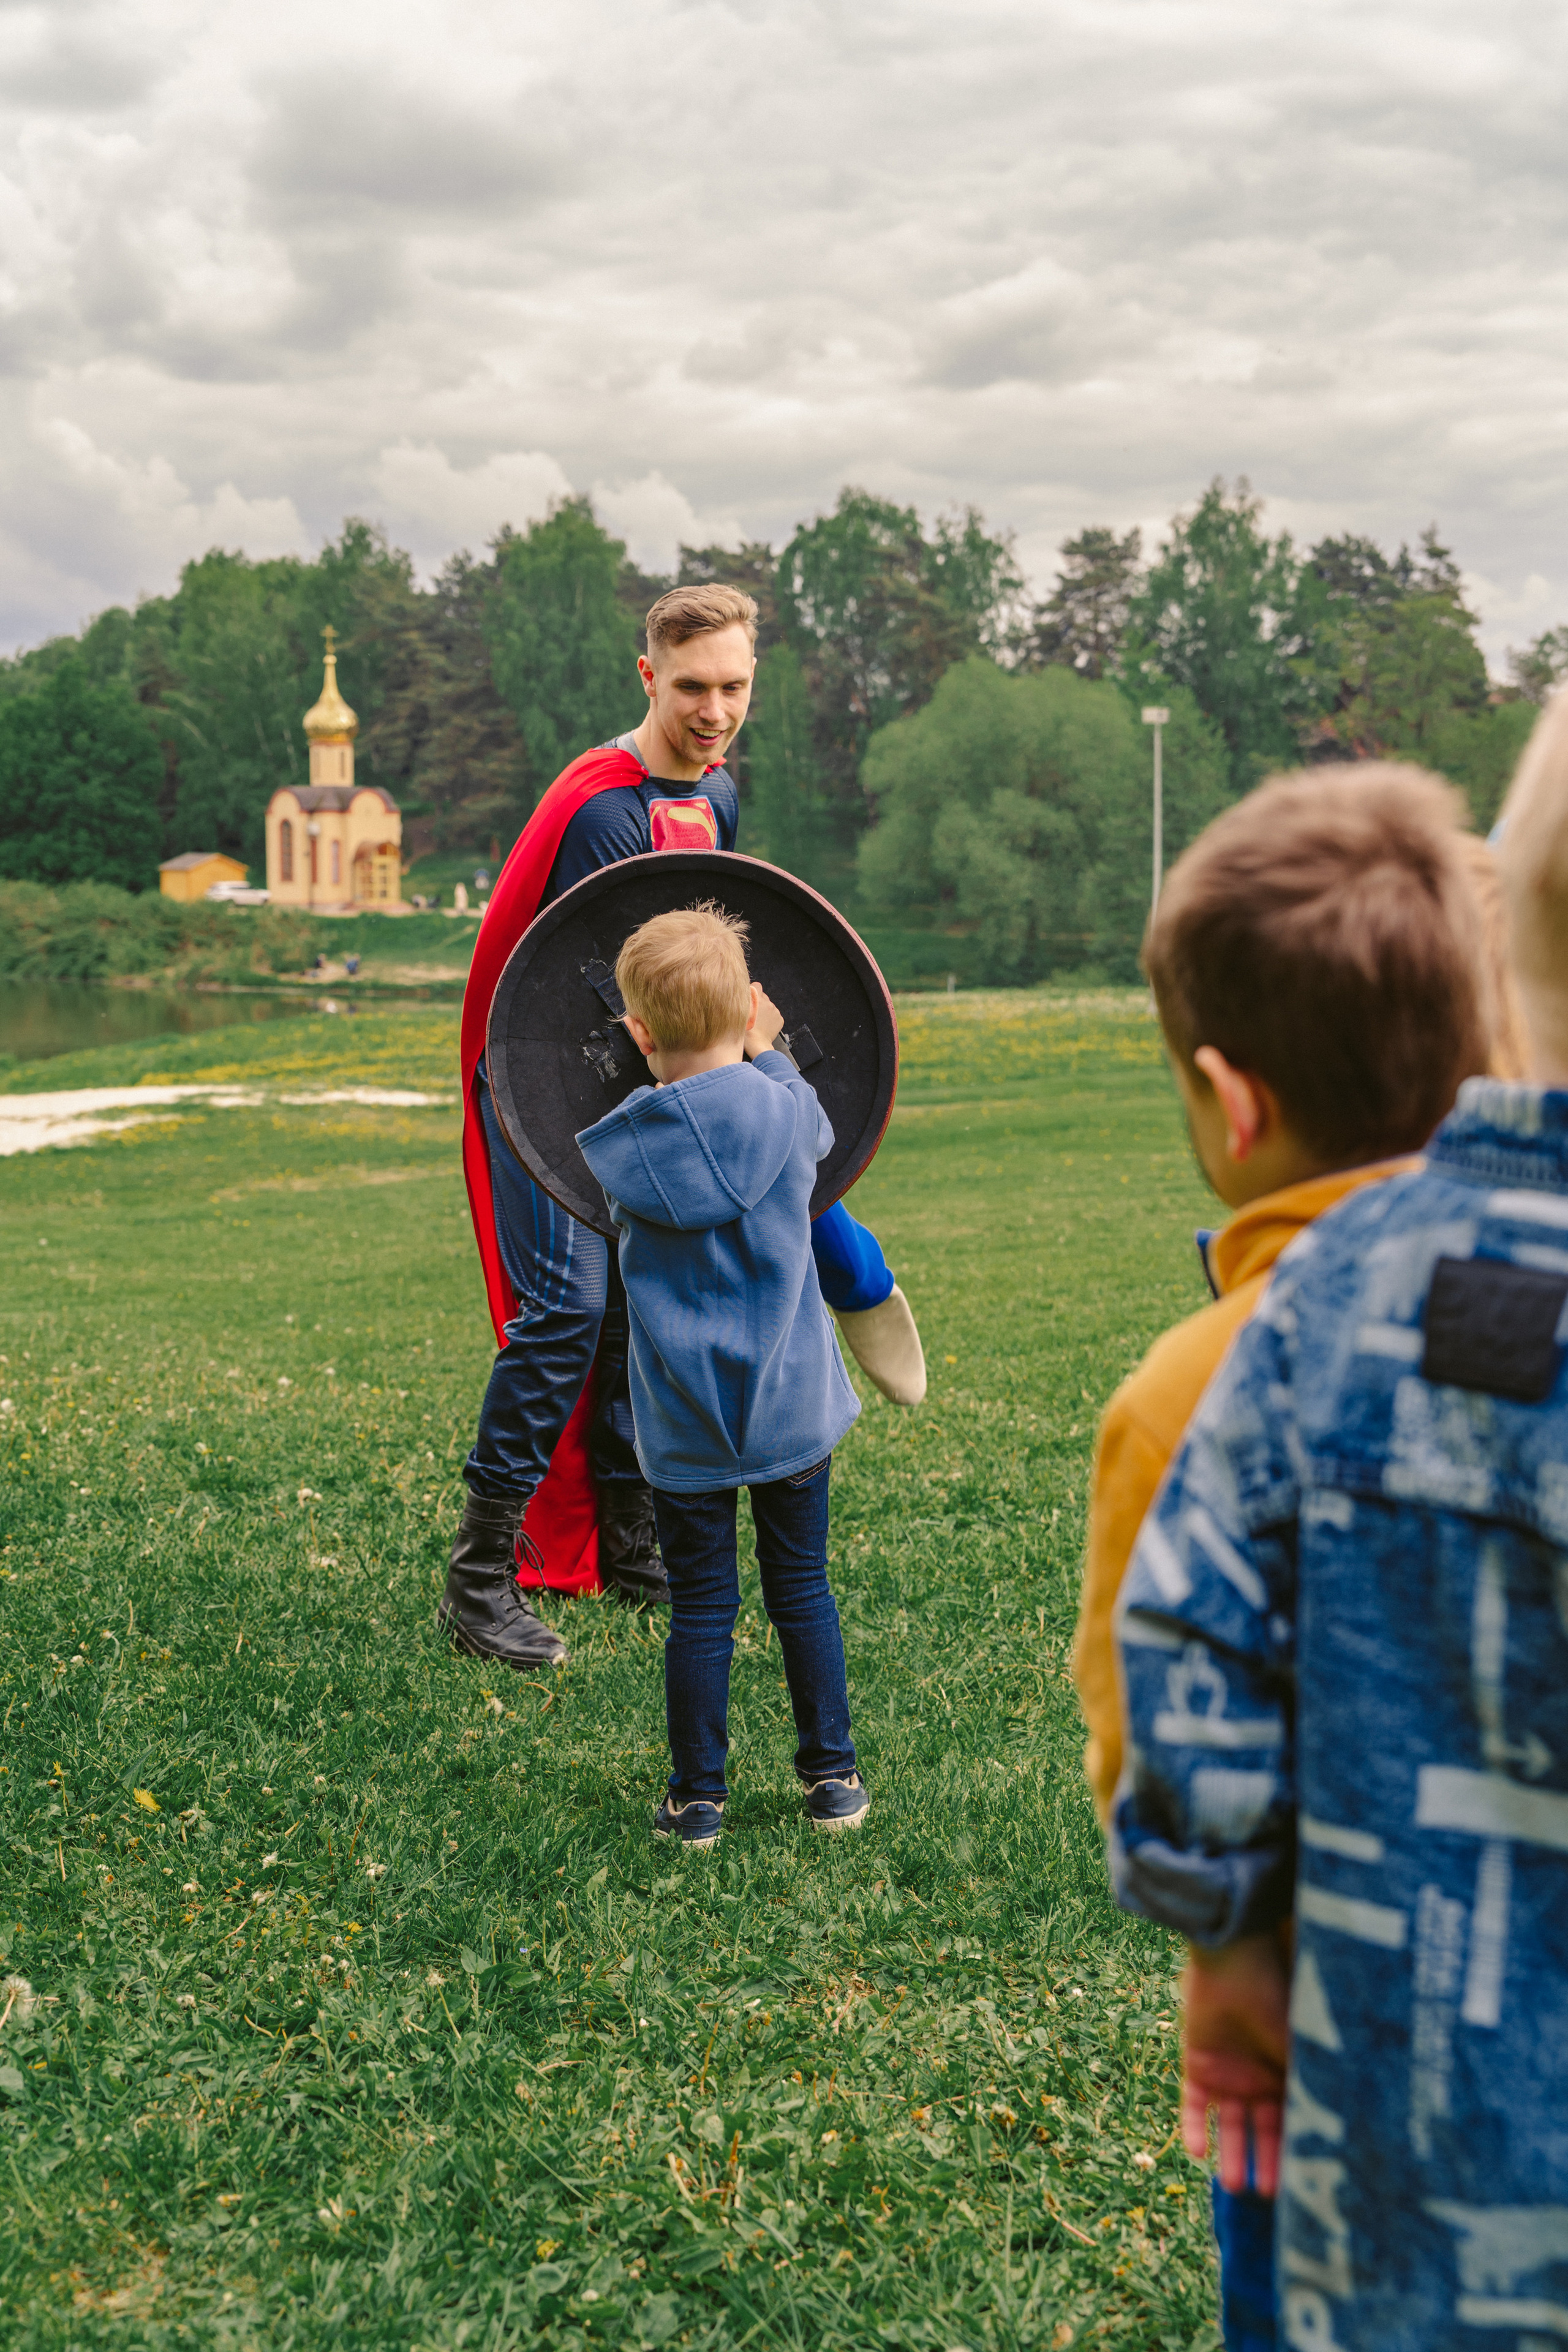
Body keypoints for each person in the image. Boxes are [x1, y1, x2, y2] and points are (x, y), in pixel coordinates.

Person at [1102, 726, 1568, 2349]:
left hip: (1384, 2101)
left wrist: (1224, 1934)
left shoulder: (1290, 1335)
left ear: (1232, 1103)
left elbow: (1178, 1675)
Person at [442, 584, 924, 1675]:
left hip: (649, 1070)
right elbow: (577, 998)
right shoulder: (603, 812)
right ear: (649, 676)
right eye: (694, 686)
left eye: (736, 687)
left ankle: (630, 1539)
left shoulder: (715, 796)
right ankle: (479, 1580)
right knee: (567, 1307)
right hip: (549, 1080)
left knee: (631, 1302)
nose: (716, 710)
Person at [577, 903, 869, 1846]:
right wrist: (772, 1054)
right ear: (751, 1011)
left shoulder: (623, 1153)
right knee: (803, 1591)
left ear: (635, 1033)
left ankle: (697, 1800)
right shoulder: (786, 1111)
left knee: (702, 1609)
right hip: (790, 1412)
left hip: (686, 1427)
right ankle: (833, 1782)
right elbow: (816, 1130)